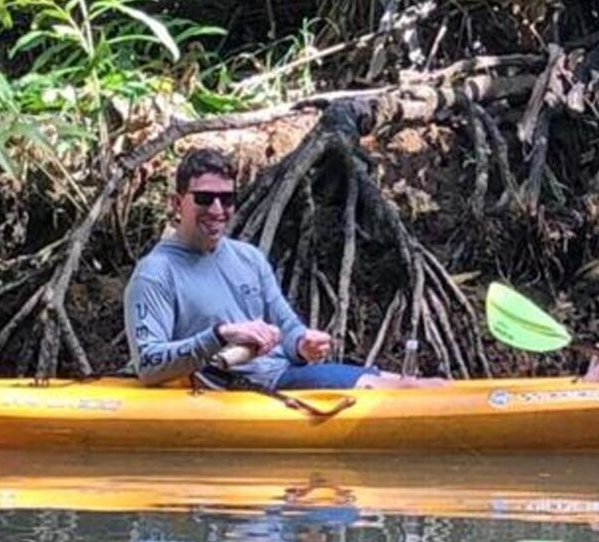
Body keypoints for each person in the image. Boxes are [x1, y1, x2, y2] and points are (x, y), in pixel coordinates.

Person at [125, 148, 448, 391]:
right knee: (403, 388)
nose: (217, 209)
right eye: (205, 198)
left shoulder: (248, 258)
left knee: (420, 384)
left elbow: (287, 326)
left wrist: (302, 344)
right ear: (177, 203)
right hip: (237, 388)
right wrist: (219, 335)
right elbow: (149, 364)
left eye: (227, 198)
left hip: (284, 376)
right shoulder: (156, 273)